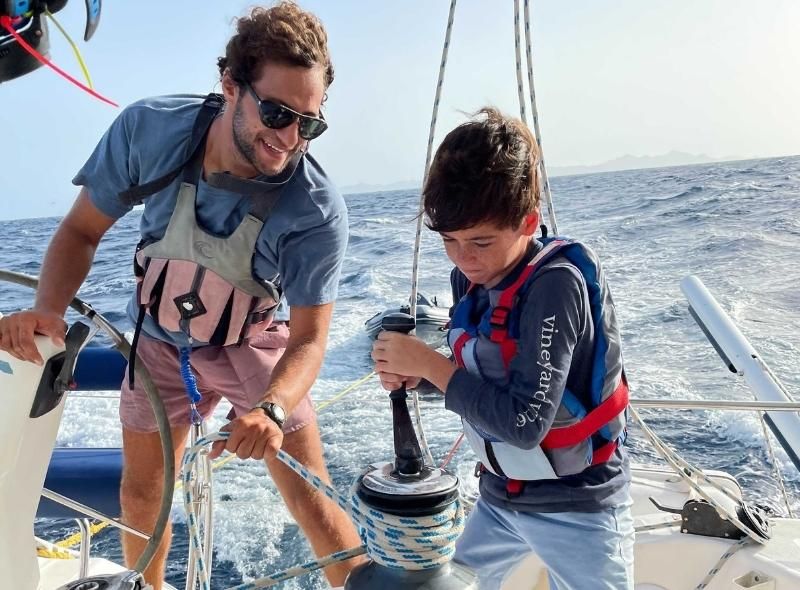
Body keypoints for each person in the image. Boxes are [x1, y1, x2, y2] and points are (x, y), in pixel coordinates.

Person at [0, 2, 364, 588]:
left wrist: (271, 409)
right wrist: (47, 309)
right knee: (142, 493)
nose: (290, 138)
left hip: (253, 348)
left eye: (310, 123)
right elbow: (80, 231)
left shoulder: (316, 210)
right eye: (276, 113)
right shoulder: (151, 130)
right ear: (229, 86)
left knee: (311, 501)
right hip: (158, 344)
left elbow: (310, 337)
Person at [371, 107, 634, 590]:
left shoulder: (556, 287)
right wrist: (423, 375)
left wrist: (430, 364)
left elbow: (524, 423)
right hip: (499, 499)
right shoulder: (469, 277)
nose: (463, 258)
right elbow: (485, 378)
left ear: (529, 221)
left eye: (481, 241)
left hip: (578, 507)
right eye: (449, 240)